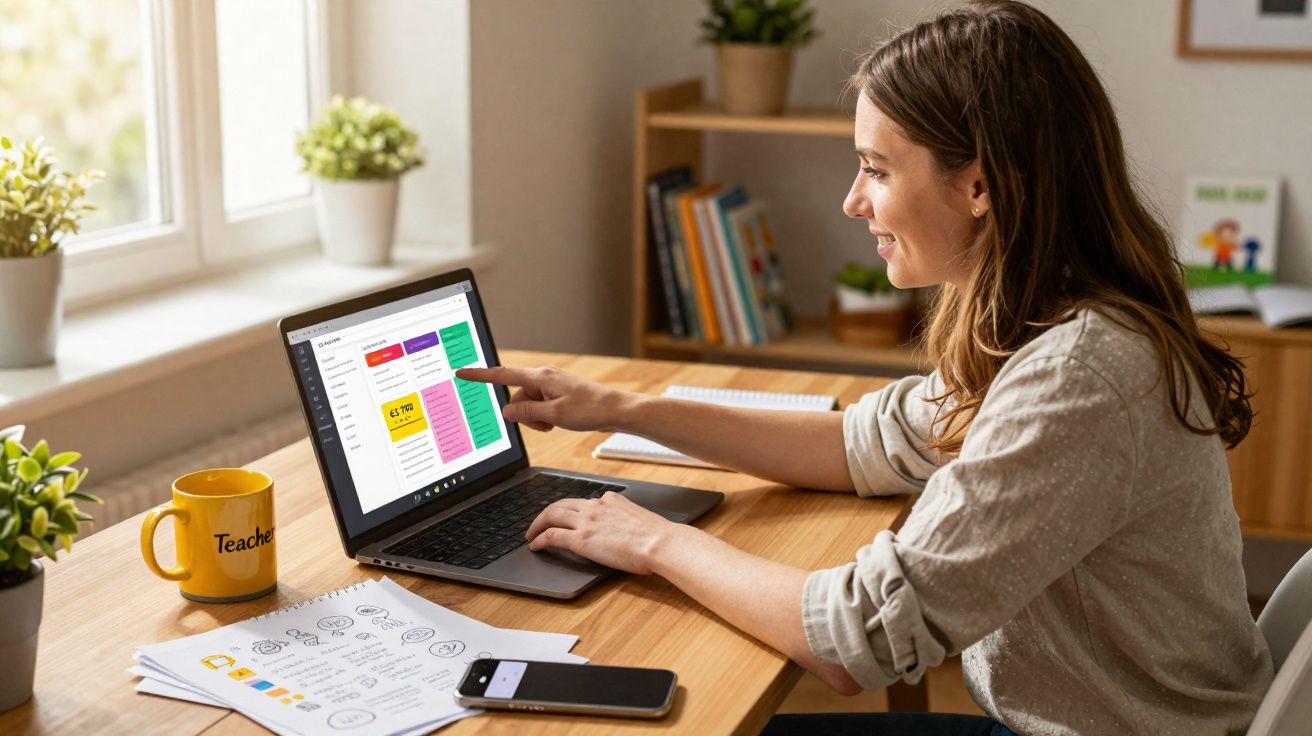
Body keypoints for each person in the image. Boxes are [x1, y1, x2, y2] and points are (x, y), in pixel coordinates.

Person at [456, 2, 1273, 733]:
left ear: (981, 185)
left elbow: (857, 644)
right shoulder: (1049, 315)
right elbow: (865, 444)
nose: (854, 200)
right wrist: (621, 408)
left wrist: (654, 543)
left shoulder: (1078, 374)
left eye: (876, 169)